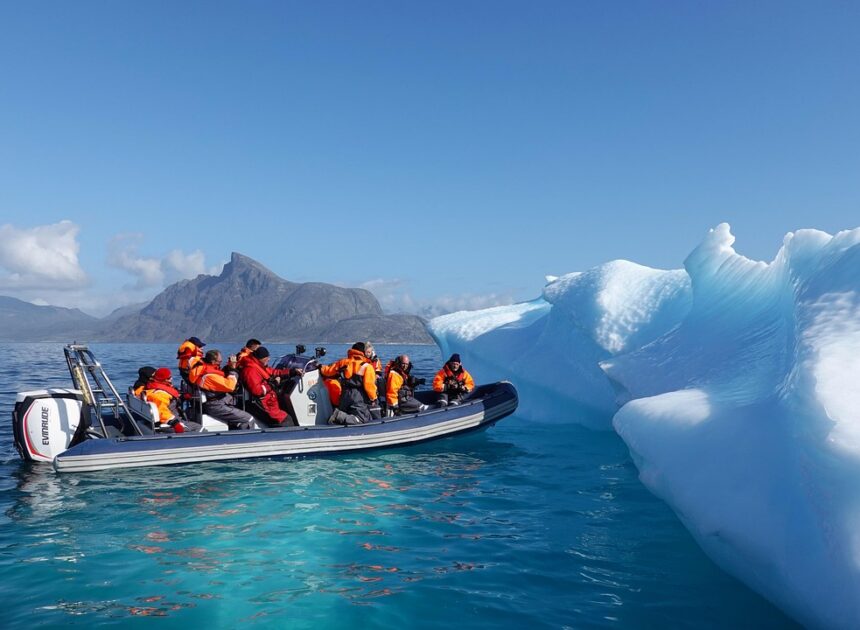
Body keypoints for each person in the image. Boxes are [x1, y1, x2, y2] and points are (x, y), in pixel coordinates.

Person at [188, 349, 254, 430]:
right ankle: (245, 439)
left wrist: (228, 367)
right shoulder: (210, 376)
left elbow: (220, 377)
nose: (220, 363)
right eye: (219, 362)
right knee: (248, 419)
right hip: (215, 405)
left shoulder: (203, 369)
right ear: (213, 361)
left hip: (217, 401)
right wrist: (233, 369)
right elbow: (230, 386)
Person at [240, 346, 302, 426]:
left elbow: (274, 372)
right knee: (286, 420)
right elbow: (257, 391)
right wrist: (273, 384)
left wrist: (292, 372)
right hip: (262, 403)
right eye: (267, 357)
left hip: (268, 401)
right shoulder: (251, 370)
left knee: (286, 414)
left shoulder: (258, 365)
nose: (269, 359)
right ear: (261, 358)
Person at [326, 342, 381, 425]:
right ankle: (338, 415)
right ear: (363, 352)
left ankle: (338, 422)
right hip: (358, 396)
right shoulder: (367, 366)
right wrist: (373, 398)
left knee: (346, 415)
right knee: (361, 419)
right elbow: (369, 386)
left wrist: (319, 367)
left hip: (344, 394)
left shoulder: (343, 362)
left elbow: (328, 371)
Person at [142, 367, 201, 433]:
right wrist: (175, 423)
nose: (171, 379)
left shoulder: (156, 387)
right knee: (199, 428)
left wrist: (182, 397)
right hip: (170, 423)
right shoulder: (159, 394)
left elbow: (170, 402)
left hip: (173, 418)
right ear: (163, 379)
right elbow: (162, 411)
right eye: (169, 378)